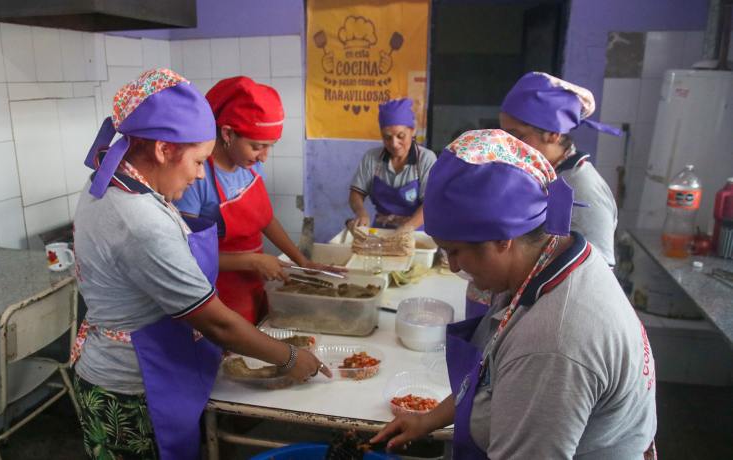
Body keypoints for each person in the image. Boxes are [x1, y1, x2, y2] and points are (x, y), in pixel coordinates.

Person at [72, 69, 330, 460]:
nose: (197, 174)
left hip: (141, 367)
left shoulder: (114, 183)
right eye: (197, 161)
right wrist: (290, 358)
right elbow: (216, 321)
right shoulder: (140, 219)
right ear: (163, 150)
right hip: (131, 387)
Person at [371, 129, 657, 459]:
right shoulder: (548, 260)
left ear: (502, 240)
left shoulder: (552, 342)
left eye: (455, 251)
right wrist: (428, 420)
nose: (452, 266)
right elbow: (491, 378)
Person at [175, 76, 339, 324]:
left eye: (269, 147)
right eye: (257, 146)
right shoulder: (195, 178)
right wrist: (252, 261)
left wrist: (302, 261)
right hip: (217, 292)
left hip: (253, 281)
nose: (264, 157)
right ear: (228, 133)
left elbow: (264, 219)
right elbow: (185, 253)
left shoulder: (248, 166)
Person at [465, 72, 621, 318]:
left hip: (552, 317)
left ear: (553, 134)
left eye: (517, 136)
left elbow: (596, 277)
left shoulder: (581, 187)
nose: (509, 146)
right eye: (505, 135)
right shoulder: (538, 175)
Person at [349, 98, 437, 230]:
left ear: (412, 131)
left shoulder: (425, 159)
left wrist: (407, 228)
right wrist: (360, 212)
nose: (394, 144)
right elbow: (356, 193)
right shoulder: (372, 158)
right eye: (387, 137)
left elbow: (430, 203)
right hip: (381, 229)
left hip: (417, 232)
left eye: (401, 136)